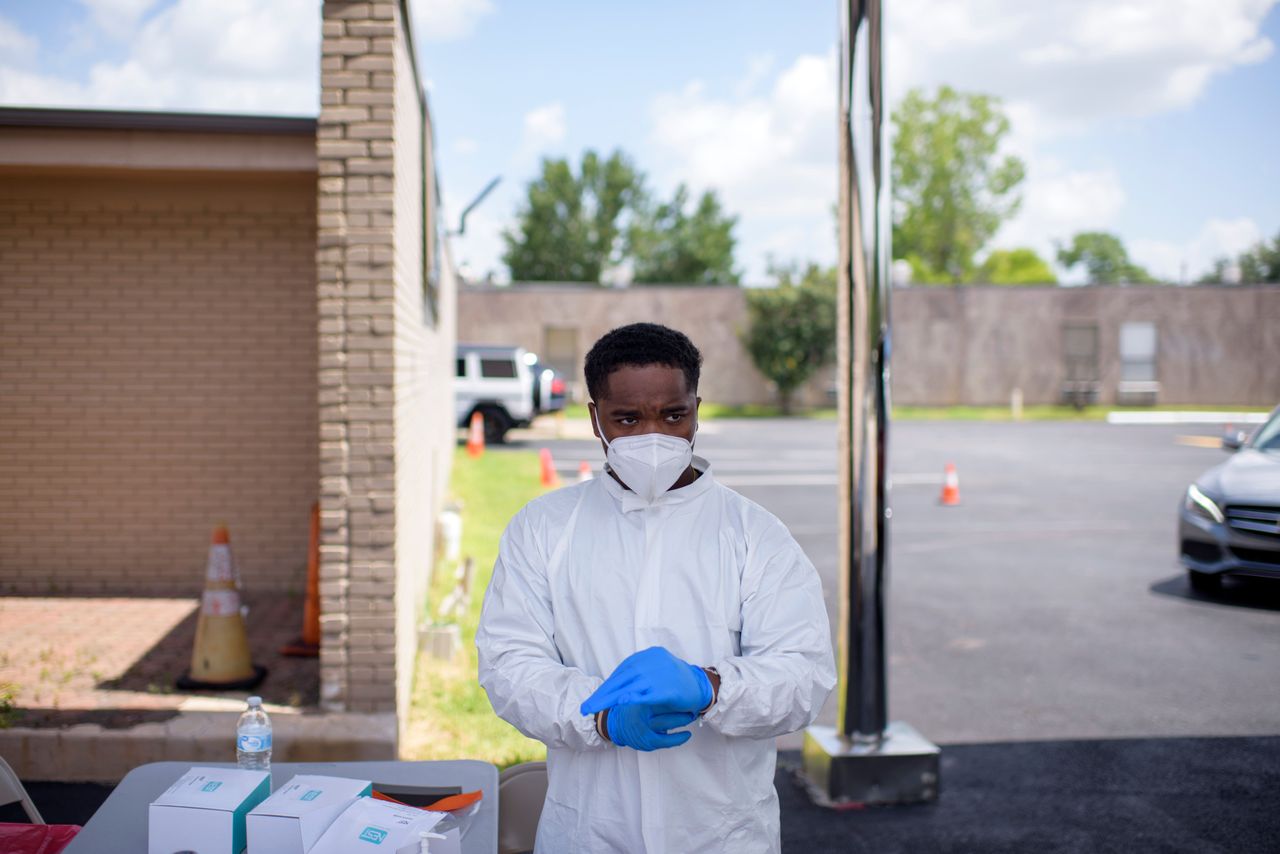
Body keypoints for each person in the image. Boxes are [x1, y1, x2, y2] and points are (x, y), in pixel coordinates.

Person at [476, 322, 835, 853]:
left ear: (696, 409)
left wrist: (710, 686)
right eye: (627, 418)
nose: (654, 436)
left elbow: (804, 675)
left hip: (722, 835)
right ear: (595, 417)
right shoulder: (545, 528)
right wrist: (598, 715)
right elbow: (508, 664)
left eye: (673, 415)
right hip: (590, 833)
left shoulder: (754, 535)